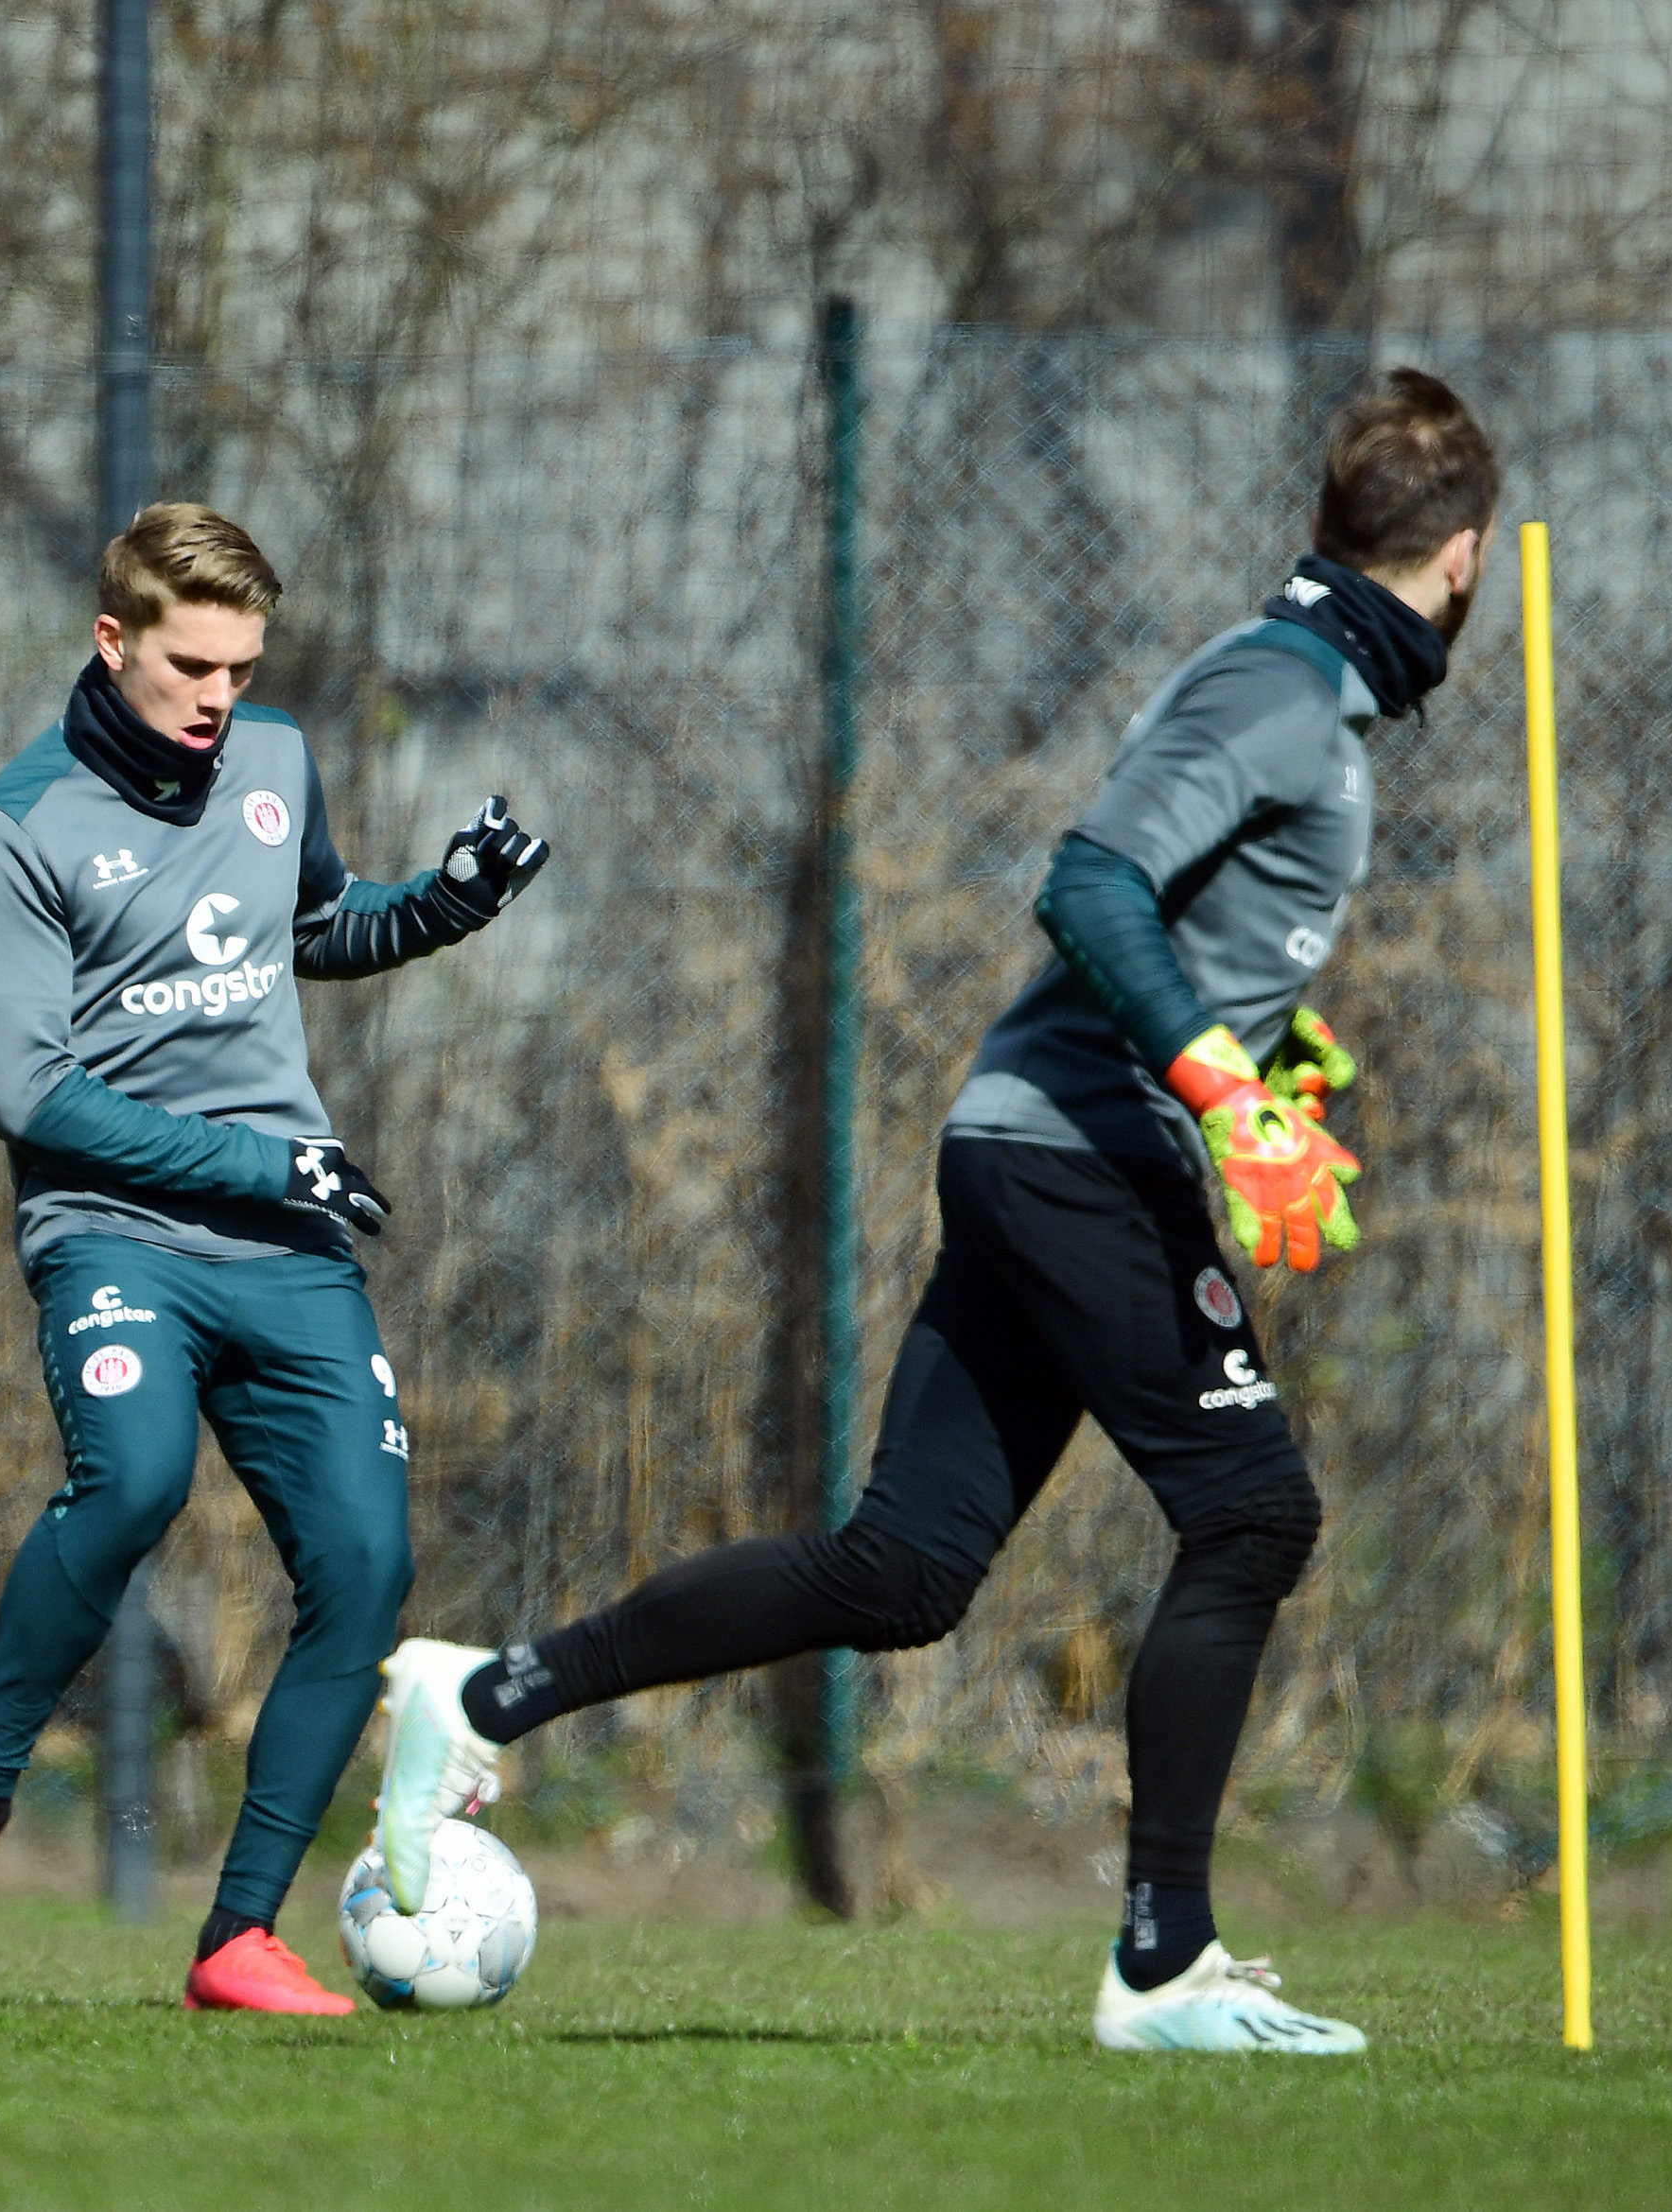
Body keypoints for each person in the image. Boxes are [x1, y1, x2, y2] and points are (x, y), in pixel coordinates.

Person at [374, 369, 1502, 2055]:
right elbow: (1092, 880)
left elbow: (1185, 919)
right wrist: (1215, 1088)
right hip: (1080, 1153)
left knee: (901, 1569)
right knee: (1253, 1514)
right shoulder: (1283, 691)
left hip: (1035, 1139)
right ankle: (1160, 1968)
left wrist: (1282, 1055)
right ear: (1464, 561)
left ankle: (484, 1694)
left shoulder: (1282, 675)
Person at [0, 503, 550, 2012]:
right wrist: (256, 1156)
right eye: (189, 664)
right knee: (137, 1476)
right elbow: (30, 1094)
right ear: (113, 642)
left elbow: (309, 925)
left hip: (286, 1242)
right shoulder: (15, 827)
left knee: (365, 1567)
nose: (217, 695)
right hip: (116, 1230)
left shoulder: (276, 761)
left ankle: (239, 1936)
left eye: (240, 664)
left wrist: (441, 904)